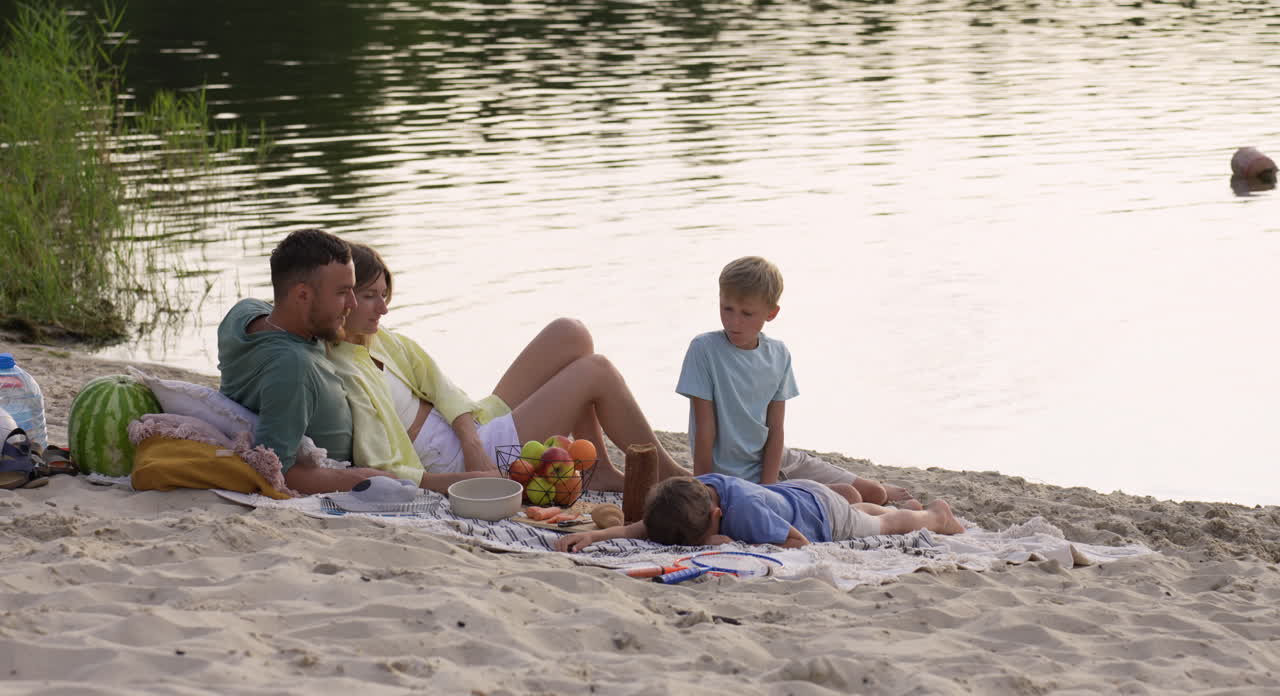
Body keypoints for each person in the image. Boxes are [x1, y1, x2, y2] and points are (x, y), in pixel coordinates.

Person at [329, 243, 689, 492]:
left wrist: (471, 440)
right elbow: (383, 466)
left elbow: (442, 388)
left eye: (384, 295)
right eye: (371, 296)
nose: (384, 308)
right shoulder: (344, 372)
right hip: (457, 462)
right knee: (596, 371)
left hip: (473, 431)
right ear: (345, 298)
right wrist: (467, 470)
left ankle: (598, 470)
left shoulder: (380, 338)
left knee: (570, 333)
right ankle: (668, 472)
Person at [676, 256, 913, 507]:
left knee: (875, 493)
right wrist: (705, 491)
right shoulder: (704, 349)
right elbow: (705, 430)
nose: (734, 322)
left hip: (777, 459)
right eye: (727, 309)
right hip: (734, 475)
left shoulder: (779, 354)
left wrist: (768, 488)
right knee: (850, 497)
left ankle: (871, 491)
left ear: (771, 313)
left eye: (747, 313)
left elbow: (776, 428)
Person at [217, 229, 390, 494]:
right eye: (343, 292)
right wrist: (364, 478)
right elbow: (276, 471)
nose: (352, 303)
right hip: (364, 458)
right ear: (302, 295)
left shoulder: (244, 313)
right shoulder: (293, 367)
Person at [557, 474, 964, 552]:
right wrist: (595, 535)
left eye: (701, 537)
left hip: (822, 517)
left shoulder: (747, 515)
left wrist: (735, 544)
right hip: (799, 496)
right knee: (856, 508)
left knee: (880, 524)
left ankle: (934, 516)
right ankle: (898, 505)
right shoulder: (692, 492)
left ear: (717, 514)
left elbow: (798, 543)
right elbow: (645, 527)